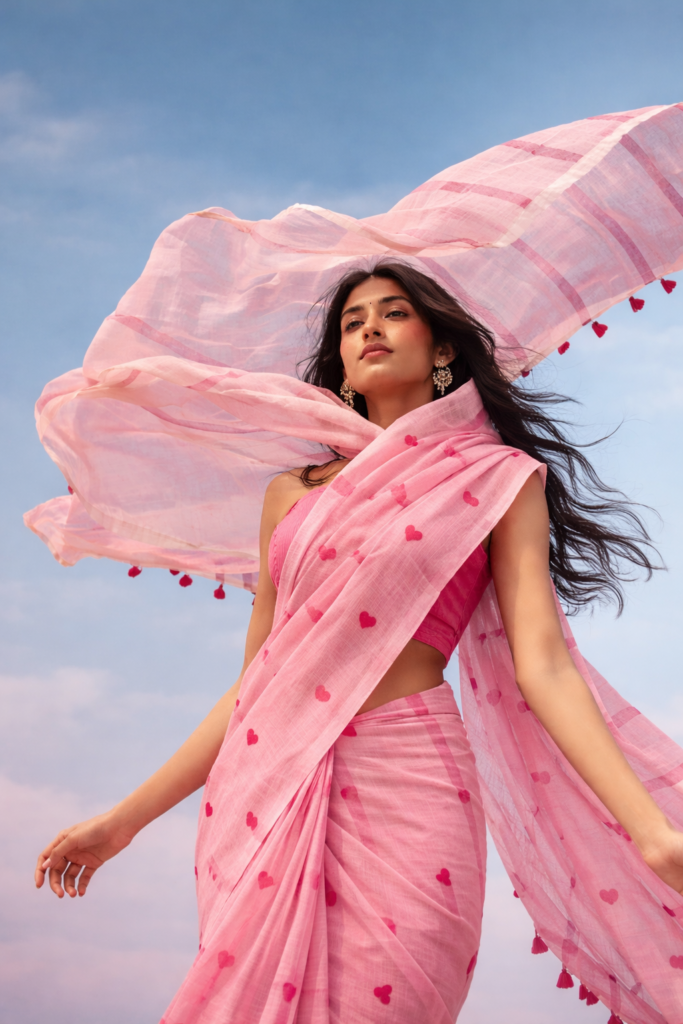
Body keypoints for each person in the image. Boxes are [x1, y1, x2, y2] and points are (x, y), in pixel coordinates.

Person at [33, 261, 683, 1023]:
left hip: (411, 775)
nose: (369, 328)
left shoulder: (498, 478)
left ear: (441, 349)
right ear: (339, 364)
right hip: (269, 785)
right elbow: (257, 683)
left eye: (392, 312)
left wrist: (649, 831)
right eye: (351, 322)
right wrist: (123, 822)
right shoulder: (294, 495)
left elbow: (543, 667)